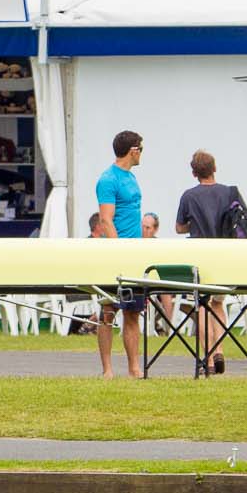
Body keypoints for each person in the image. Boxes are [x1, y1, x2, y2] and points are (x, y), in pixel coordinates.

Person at [176, 149, 247, 374]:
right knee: (218, 303)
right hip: (225, 254)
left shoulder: (189, 196)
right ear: (214, 168)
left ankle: (207, 358)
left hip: (200, 255)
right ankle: (220, 350)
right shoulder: (229, 193)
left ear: (194, 173)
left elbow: (179, 227)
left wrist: (193, 225)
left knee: (202, 306)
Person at [94, 130, 145, 379]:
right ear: (132, 150)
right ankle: (107, 369)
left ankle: (134, 368)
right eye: (141, 149)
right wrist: (117, 251)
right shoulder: (108, 179)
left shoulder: (132, 178)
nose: (142, 155)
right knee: (107, 312)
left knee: (133, 312)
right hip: (115, 254)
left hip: (134, 253)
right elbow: (106, 219)